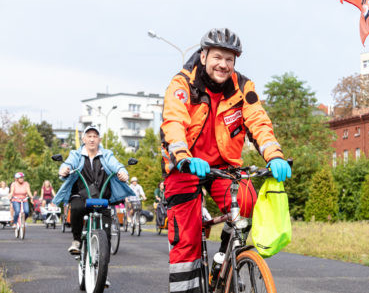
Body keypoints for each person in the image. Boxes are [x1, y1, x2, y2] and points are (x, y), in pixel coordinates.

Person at [160, 28, 292, 292]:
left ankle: (225, 263)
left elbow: (259, 122)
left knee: (246, 200)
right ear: (204, 55)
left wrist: (274, 155)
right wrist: (183, 156)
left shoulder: (243, 87)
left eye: (230, 59)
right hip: (185, 165)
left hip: (223, 166)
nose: (223, 64)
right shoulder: (183, 84)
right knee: (187, 238)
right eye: (218, 57)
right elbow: (174, 122)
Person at [52, 126, 134, 286]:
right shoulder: (76, 154)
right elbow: (67, 165)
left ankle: (102, 273)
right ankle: (76, 240)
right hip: (81, 195)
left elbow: (116, 165)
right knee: (75, 208)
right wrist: (64, 170)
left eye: (95, 136)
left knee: (107, 234)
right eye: (88, 136)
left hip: (102, 197)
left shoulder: (106, 154)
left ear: (99, 140)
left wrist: (122, 172)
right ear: (83, 139)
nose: (91, 139)